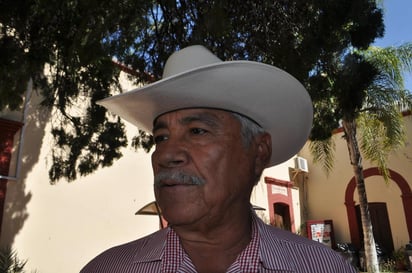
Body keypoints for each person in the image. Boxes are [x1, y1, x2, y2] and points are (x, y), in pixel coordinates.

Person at [80, 45, 357, 273]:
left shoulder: (322, 267)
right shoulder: (107, 268)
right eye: (161, 137)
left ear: (258, 152)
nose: (166, 154)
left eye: (197, 131)